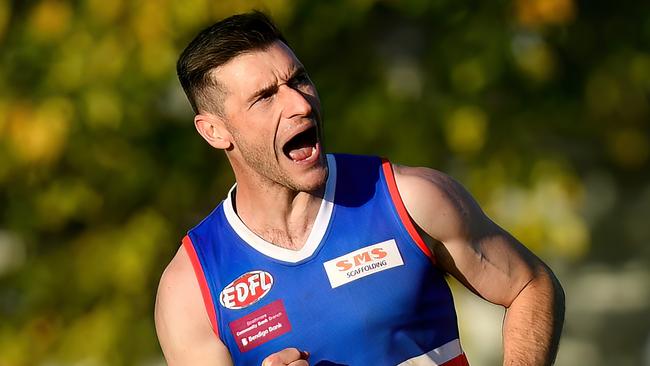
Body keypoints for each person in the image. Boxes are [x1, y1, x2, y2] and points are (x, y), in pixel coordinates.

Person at [154, 11, 565, 366]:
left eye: (299, 79)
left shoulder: (408, 197)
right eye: (264, 98)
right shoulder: (191, 288)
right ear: (214, 131)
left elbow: (532, 286)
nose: (299, 104)